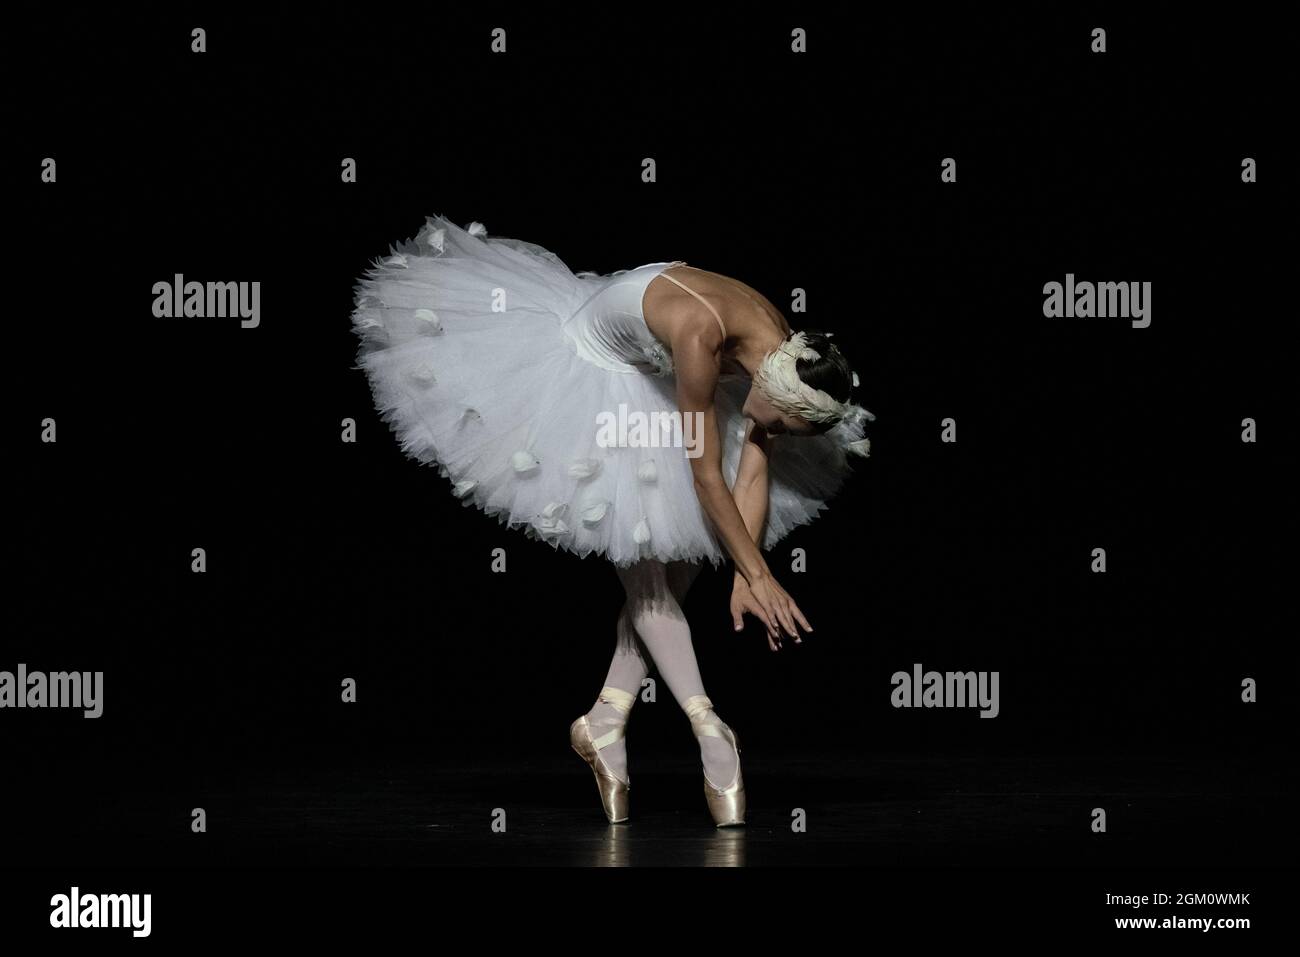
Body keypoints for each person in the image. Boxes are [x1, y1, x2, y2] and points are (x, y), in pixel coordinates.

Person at [350, 214, 874, 827]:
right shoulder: (703, 339)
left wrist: (747, 570)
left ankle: (603, 721)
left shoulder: (782, 351)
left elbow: (754, 467)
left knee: (684, 561)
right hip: (594, 375)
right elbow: (709, 476)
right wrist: (758, 575)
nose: (774, 433)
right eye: (783, 423)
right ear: (775, 389)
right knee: (650, 562)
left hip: (654, 374)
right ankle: (710, 730)